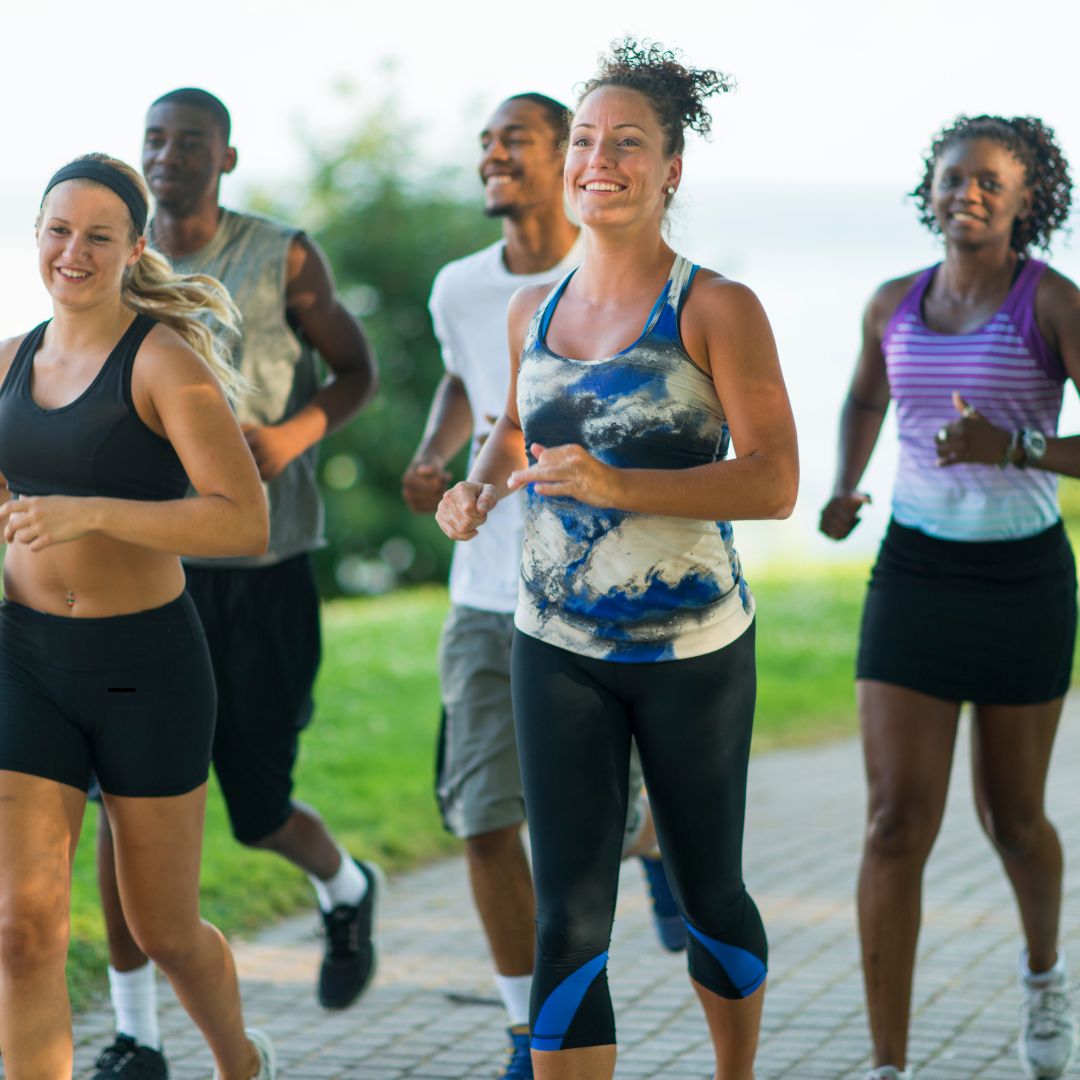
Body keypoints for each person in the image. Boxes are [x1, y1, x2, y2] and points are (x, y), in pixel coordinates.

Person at [436, 38, 798, 1080]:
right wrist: (478, 485)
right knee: (570, 917)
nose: (600, 159)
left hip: (693, 648)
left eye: (627, 143)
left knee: (707, 891)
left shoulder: (716, 307)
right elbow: (513, 429)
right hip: (552, 642)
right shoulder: (528, 312)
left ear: (670, 170)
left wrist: (618, 484)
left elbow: (773, 481)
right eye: (586, 140)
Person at [89, 88, 379, 1080]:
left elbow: (355, 371)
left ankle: (345, 890)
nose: (169, 156)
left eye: (191, 143)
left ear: (227, 158)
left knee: (257, 808)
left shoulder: (283, 255)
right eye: (154, 139)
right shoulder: (119, 261)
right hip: (150, 577)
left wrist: (293, 437)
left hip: (264, 574)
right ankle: (137, 1036)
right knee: (121, 803)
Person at [403, 90, 685, 1079]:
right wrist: (441, 461)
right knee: (483, 816)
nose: (492, 157)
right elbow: (472, 388)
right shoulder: (460, 288)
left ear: (566, 156)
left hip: (598, 597)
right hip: (485, 592)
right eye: (482, 142)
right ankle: (530, 1033)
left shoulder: (614, 277)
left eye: (512, 141)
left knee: (588, 836)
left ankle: (657, 846)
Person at [0, 153, 274, 1078]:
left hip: (142, 670)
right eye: (57, 230)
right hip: (25, 660)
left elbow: (242, 519)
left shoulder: (163, 362)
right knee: (21, 929)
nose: (73, 251)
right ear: (37, 234)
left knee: (163, 929)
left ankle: (242, 1061)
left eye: (98, 235)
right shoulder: (5, 364)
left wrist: (94, 511)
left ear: (134, 248)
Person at [819, 115, 1080, 1080]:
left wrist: (1011, 447)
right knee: (894, 823)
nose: (966, 194)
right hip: (915, 575)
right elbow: (863, 399)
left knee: (1013, 820)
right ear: (927, 191)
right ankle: (890, 1066)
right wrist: (846, 486)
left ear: (1024, 200)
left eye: (989, 183)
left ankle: (1046, 980)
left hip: (1022, 582)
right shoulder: (892, 301)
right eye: (952, 179)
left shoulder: (1052, 304)